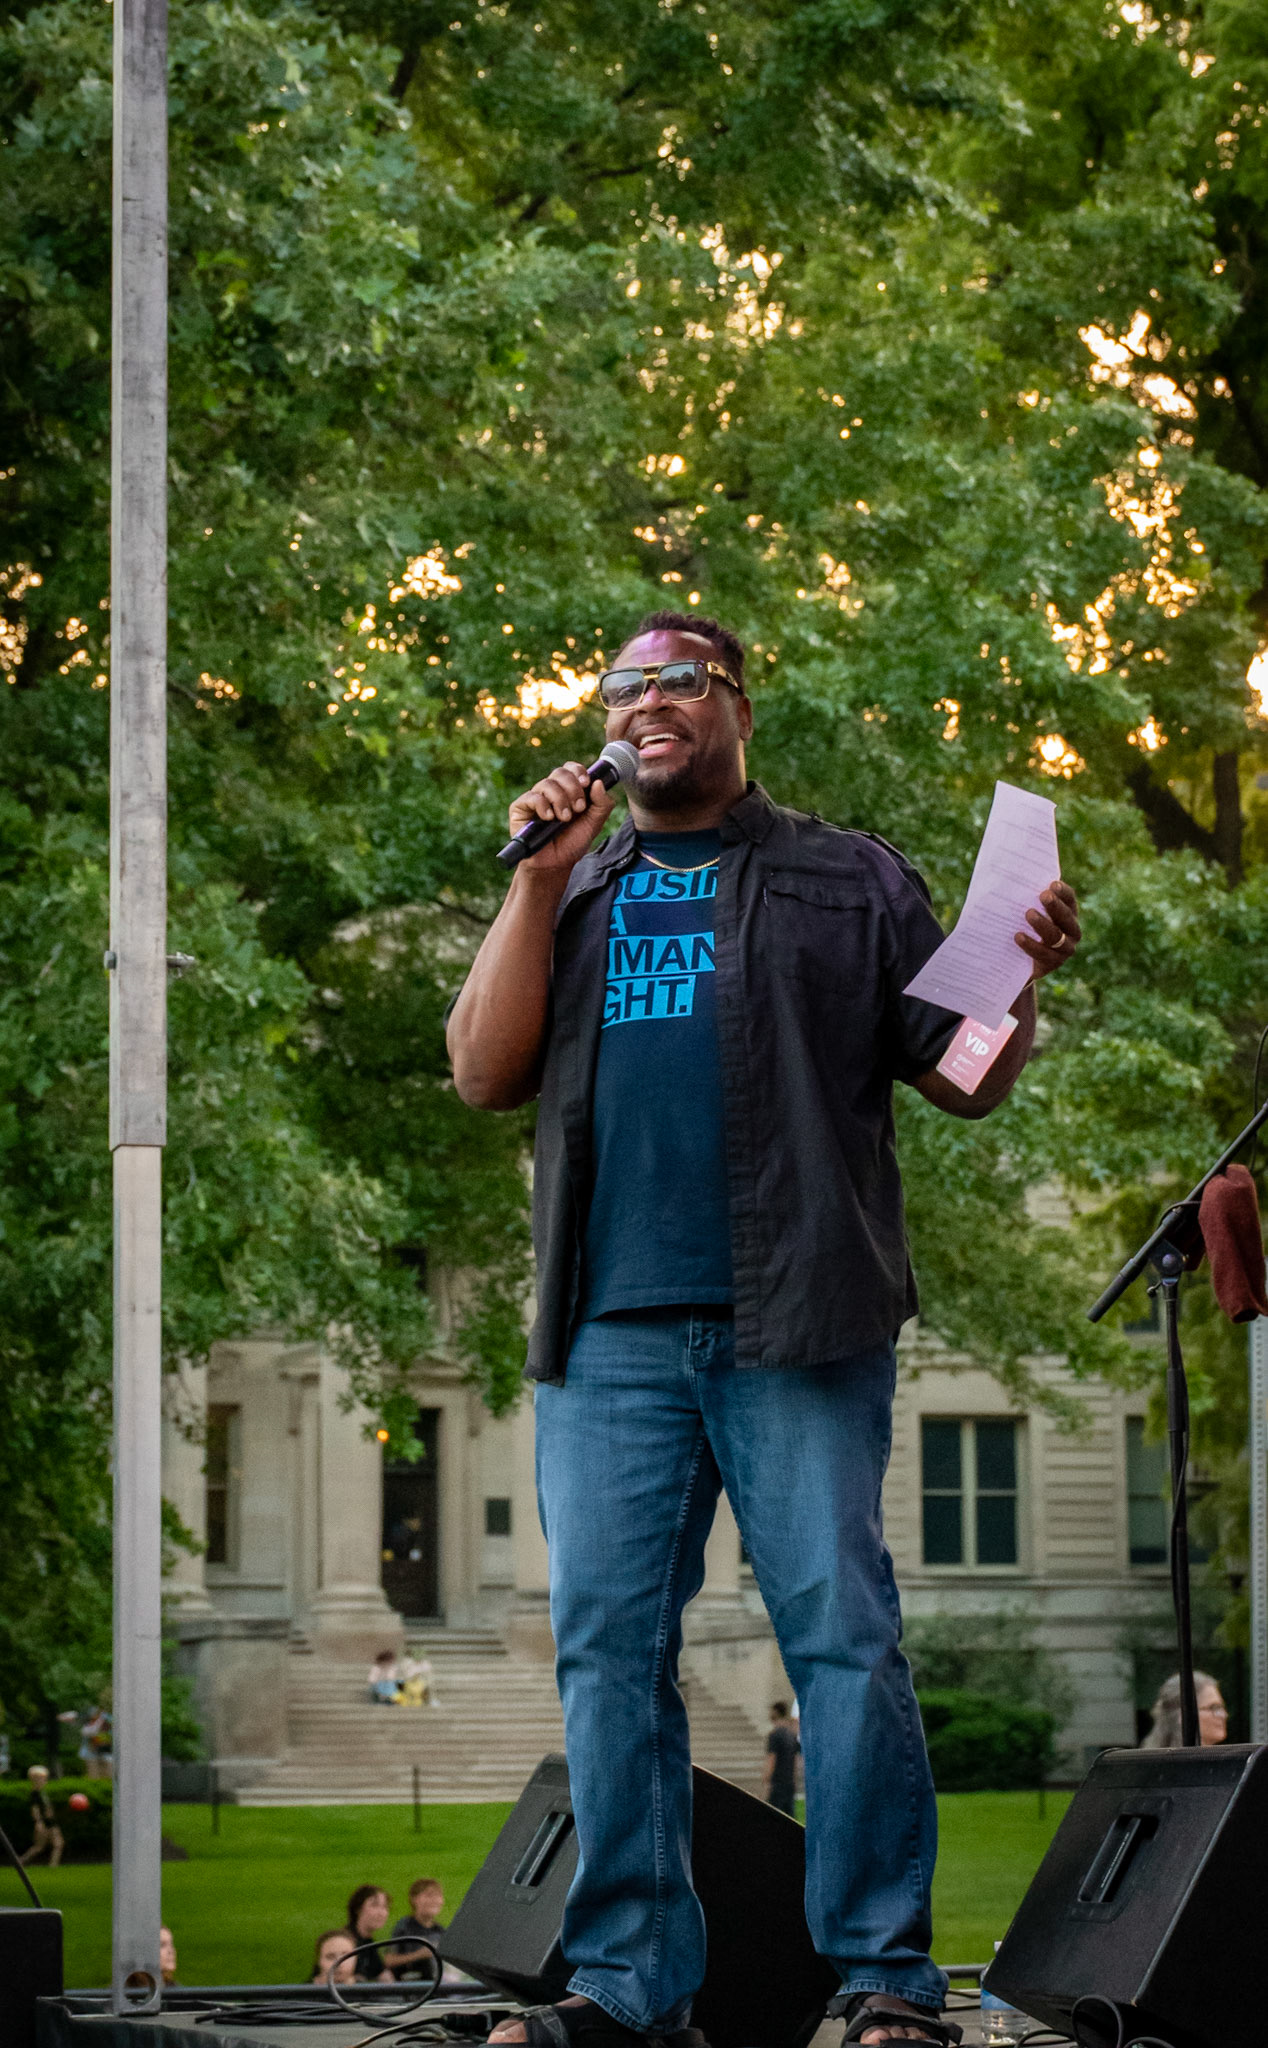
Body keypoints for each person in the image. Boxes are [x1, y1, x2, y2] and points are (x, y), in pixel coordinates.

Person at [447, 611, 1082, 2048]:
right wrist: (532, 881)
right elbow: (482, 1071)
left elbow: (965, 1073)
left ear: (738, 705)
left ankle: (883, 1979)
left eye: (679, 679)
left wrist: (1021, 979)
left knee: (841, 1641)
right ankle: (627, 1986)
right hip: (607, 1333)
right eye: (623, 686)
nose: (647, 702)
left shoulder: (848, 879)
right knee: (608, 1653)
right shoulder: (573, 882)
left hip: (799, 1315)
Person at [1142, 1670, 1230, 1748]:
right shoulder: (1168, 1760)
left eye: (1221, 1708)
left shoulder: (1214, 1759)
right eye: (1213, 1708)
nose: (1224, 1715)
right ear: (1184, 1715)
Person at [388, 1878, 446, 1981]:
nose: (435, 1900)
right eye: (429, 1895)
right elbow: (389, 1960)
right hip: (411, 1984)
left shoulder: (439, 1930)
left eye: (438, 1896)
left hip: (437, 1982)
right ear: (414, 1899)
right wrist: (419, 1955)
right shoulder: (404, 1927)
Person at [345, 1885, 396, 1981]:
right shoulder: (345, 1942)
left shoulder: (367, 1941)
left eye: (385, 1907)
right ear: (358, 1909)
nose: (381, 1913)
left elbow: (384, 1976)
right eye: (374, 1905)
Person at [18, 1764, 64, 1867]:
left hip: (51, 1822)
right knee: (39, 1847)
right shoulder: (34, 1794)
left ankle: (53, 1865)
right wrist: (38, 1822)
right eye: (41, 1778)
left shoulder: (42, 1793)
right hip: (43, 1823)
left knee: (58, 1843)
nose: (44, 1781)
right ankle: (20, 1861)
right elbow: (35, 1810)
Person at [762, 1702, 800, 1818]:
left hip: (777, 1784)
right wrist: (794, 1779)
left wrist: (766, 1780)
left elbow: (771, 1759)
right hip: (789, 1783)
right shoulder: (791, 1735)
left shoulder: (775, 1735)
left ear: (776, 1712)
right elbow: (795, 1759)